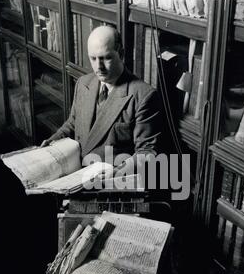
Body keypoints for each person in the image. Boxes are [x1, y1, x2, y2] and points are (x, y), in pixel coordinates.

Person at [41, 25, 163, 177]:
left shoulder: (144, 95)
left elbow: (147, 152)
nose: (98, 67)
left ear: (121, 54)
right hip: (75, 173)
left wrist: (116, 172)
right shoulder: (83, 83)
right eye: (93, 58)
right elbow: (73, 122)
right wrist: (52, 143)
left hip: (110, 183)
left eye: (106, 58)